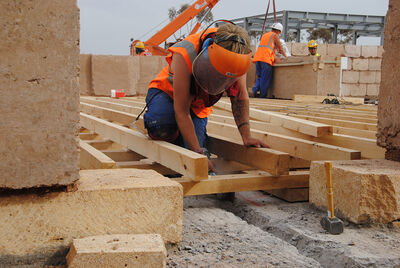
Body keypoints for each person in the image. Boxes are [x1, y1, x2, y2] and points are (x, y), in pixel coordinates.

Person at [143, 23, 268, 172]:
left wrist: (246, 136)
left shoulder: (239, 55)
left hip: (198, 104)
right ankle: (171, 136)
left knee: (193, 150)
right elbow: (182, 111)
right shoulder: (186, 52)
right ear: (208, 54)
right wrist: (196, 151)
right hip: (167, 93)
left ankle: (185, 138)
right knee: (162, 127)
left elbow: (240, 98)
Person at [252, 23, 287, 98]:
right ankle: (262, 96)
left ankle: (255, 89)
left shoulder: (265, 35)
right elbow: (280, 49)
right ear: (279, 31)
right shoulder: (275, 36)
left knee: (260, 77)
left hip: (258, 58)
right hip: (266, 59)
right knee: (265, 79)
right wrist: (286, 57)